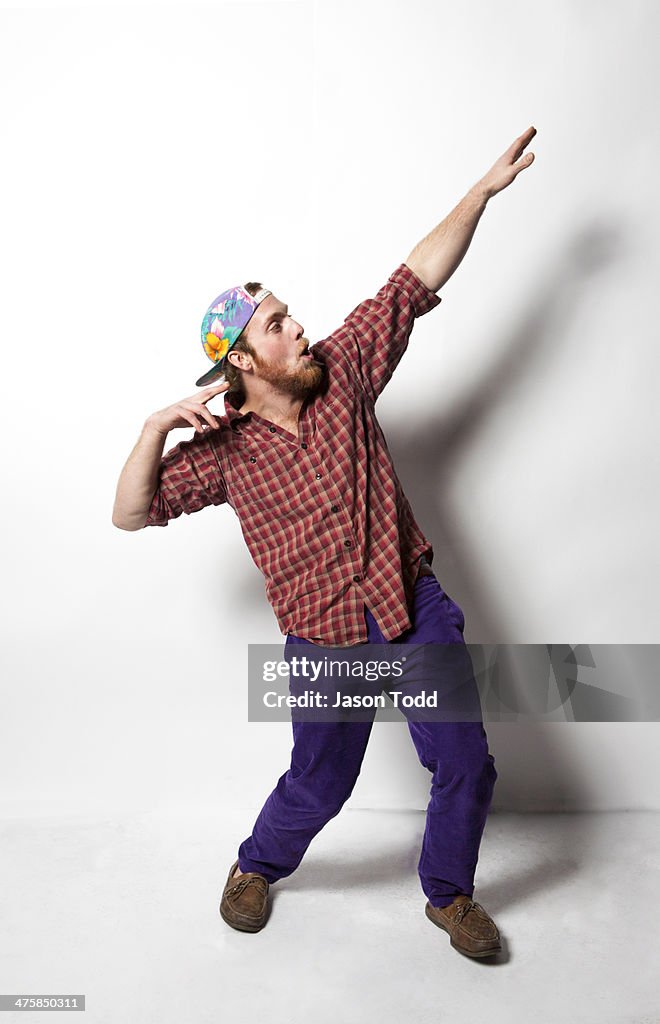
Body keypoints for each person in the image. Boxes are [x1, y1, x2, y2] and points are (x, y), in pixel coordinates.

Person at [113, 126, 537, 957]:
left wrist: (480, 192)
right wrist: (156, 425)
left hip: (409, 608)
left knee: (466, 763)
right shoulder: (223, 457)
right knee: (320, 781)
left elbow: (410, 282)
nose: (299, 327)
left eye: (291, 315)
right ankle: (255, 866)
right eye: (277, 324)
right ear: (241, 358)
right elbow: (131, 513)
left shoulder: (343, 374)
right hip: (323, 641)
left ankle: (448, 896)